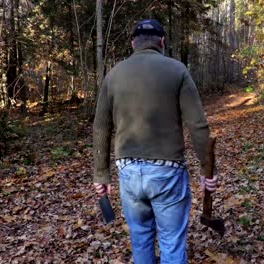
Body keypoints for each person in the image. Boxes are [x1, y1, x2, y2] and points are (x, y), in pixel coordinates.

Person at [92, 19, 218, 264]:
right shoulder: (177, 70)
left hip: (128, 173)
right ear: (162, 42)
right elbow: (197, 124)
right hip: (168, 174)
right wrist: (207, 170)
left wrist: (101, 174)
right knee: (171, 242)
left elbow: (101, 127)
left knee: (141, 240)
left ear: (133, 44)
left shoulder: (114, 75)